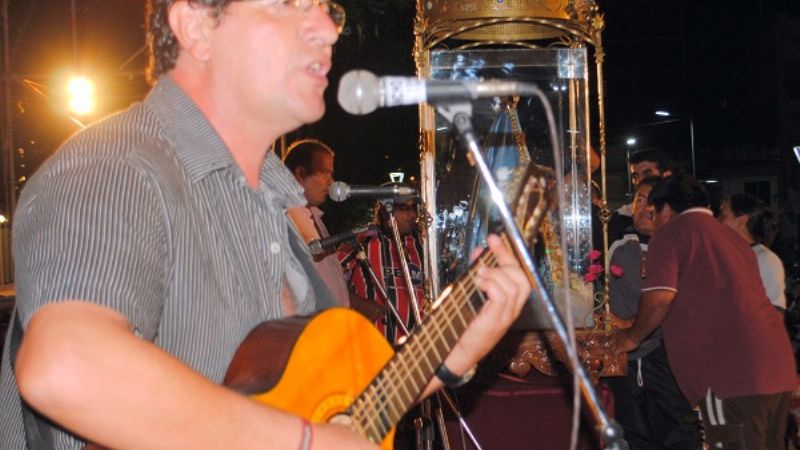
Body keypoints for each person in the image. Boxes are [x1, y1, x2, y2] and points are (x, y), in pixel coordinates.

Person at [0, 2, 532, 449]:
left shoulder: (271, 203)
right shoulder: (119, 167)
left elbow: (307, 412)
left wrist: (448, 358)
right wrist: (304, 439)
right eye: (291, 3)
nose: (327, 27)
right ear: (195, 25)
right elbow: (66, 365)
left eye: (328, 9)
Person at [613, 175, 796, 450]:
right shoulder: (734, 239)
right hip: (776, 368)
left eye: (654, 212)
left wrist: (631, 337)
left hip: (729, 375)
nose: (653, 220)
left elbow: (660, 296)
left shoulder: (673, 233)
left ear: (666, 209)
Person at [606, 177, 701, 450]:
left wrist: (633, 328)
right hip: (623, 357)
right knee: (632, 433)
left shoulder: (679, 246)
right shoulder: (616, 241)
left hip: (664, 355)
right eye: (639, 199)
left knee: (675, 432)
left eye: (652, 202)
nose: (644, 208)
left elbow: (675, 303)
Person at [339, 186, 424, 346]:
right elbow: (330, 279)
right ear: (386, 211)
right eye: (404, 208)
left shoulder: (421, 244)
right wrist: (358, 303)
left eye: (414, 208)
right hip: (371, 347)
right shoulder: (361, 240)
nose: (412, 215)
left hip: (415, 349)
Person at [284, 138, 350, 307]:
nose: (331, 182)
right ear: (300, 173)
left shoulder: (314, 215)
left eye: (331, 173)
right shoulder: (287, 211)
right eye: (324, 172)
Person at [718, 193, 786, 310]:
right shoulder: (723, 254)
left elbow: (775, 312)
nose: (716, 221)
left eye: (723, 216)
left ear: (741, 221)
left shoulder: (765, 259)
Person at [609, 149, 674, 243]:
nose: (639, 181)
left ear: (666, 176)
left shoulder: (685, 216)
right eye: (635, 176)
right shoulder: (621, 217)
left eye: (647, 175)